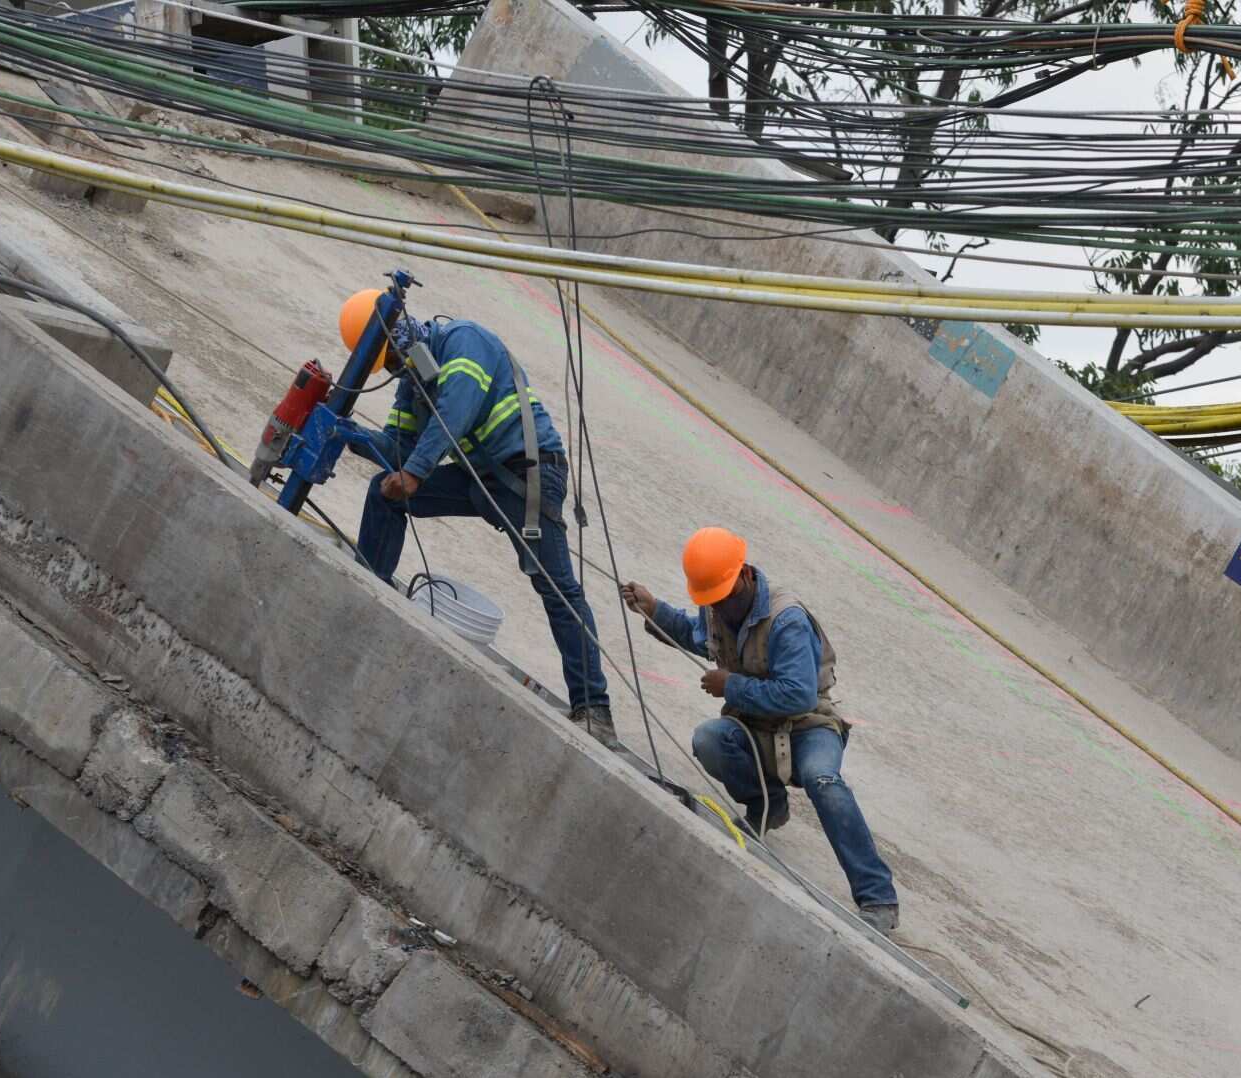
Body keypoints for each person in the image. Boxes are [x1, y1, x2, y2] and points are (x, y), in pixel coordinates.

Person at [339, 289, 616, 744]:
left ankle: (595, 709)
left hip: (529, 476)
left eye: (391, 359)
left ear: (401, 334)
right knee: (385, 494)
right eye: (387, 367)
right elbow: (399, 452)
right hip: (481, 480)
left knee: (557, 588)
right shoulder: (413, 384)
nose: (394, 371)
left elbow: (457, 410)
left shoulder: (463, 341)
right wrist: (345, 431)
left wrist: (414, 471)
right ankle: (370, 592)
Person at [620, 527, 902, 934]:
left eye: (724, 595)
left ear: (746, 575)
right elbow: (699, 637)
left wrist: (730, 685)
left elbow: (799, 695)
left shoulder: (787, 620)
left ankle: (878, 897)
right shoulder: (716, 605)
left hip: (809, 726)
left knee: (823, 780)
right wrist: (655, 610)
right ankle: (769, 802)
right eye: (712, 599)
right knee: (710, 740)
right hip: (755, 726)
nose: (719, 606)